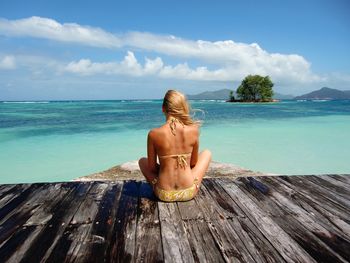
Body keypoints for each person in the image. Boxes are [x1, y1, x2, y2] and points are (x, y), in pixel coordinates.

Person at [138, 90, 212, 202]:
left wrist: (167, 166)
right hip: (188, 192)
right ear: (183, 108)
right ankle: (188, 181)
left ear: (163, 108)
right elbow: (193, 163)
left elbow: (152, 168)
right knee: (207, 153)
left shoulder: (153, 134)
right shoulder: (194, 131)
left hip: (164, 194)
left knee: (142, 161)